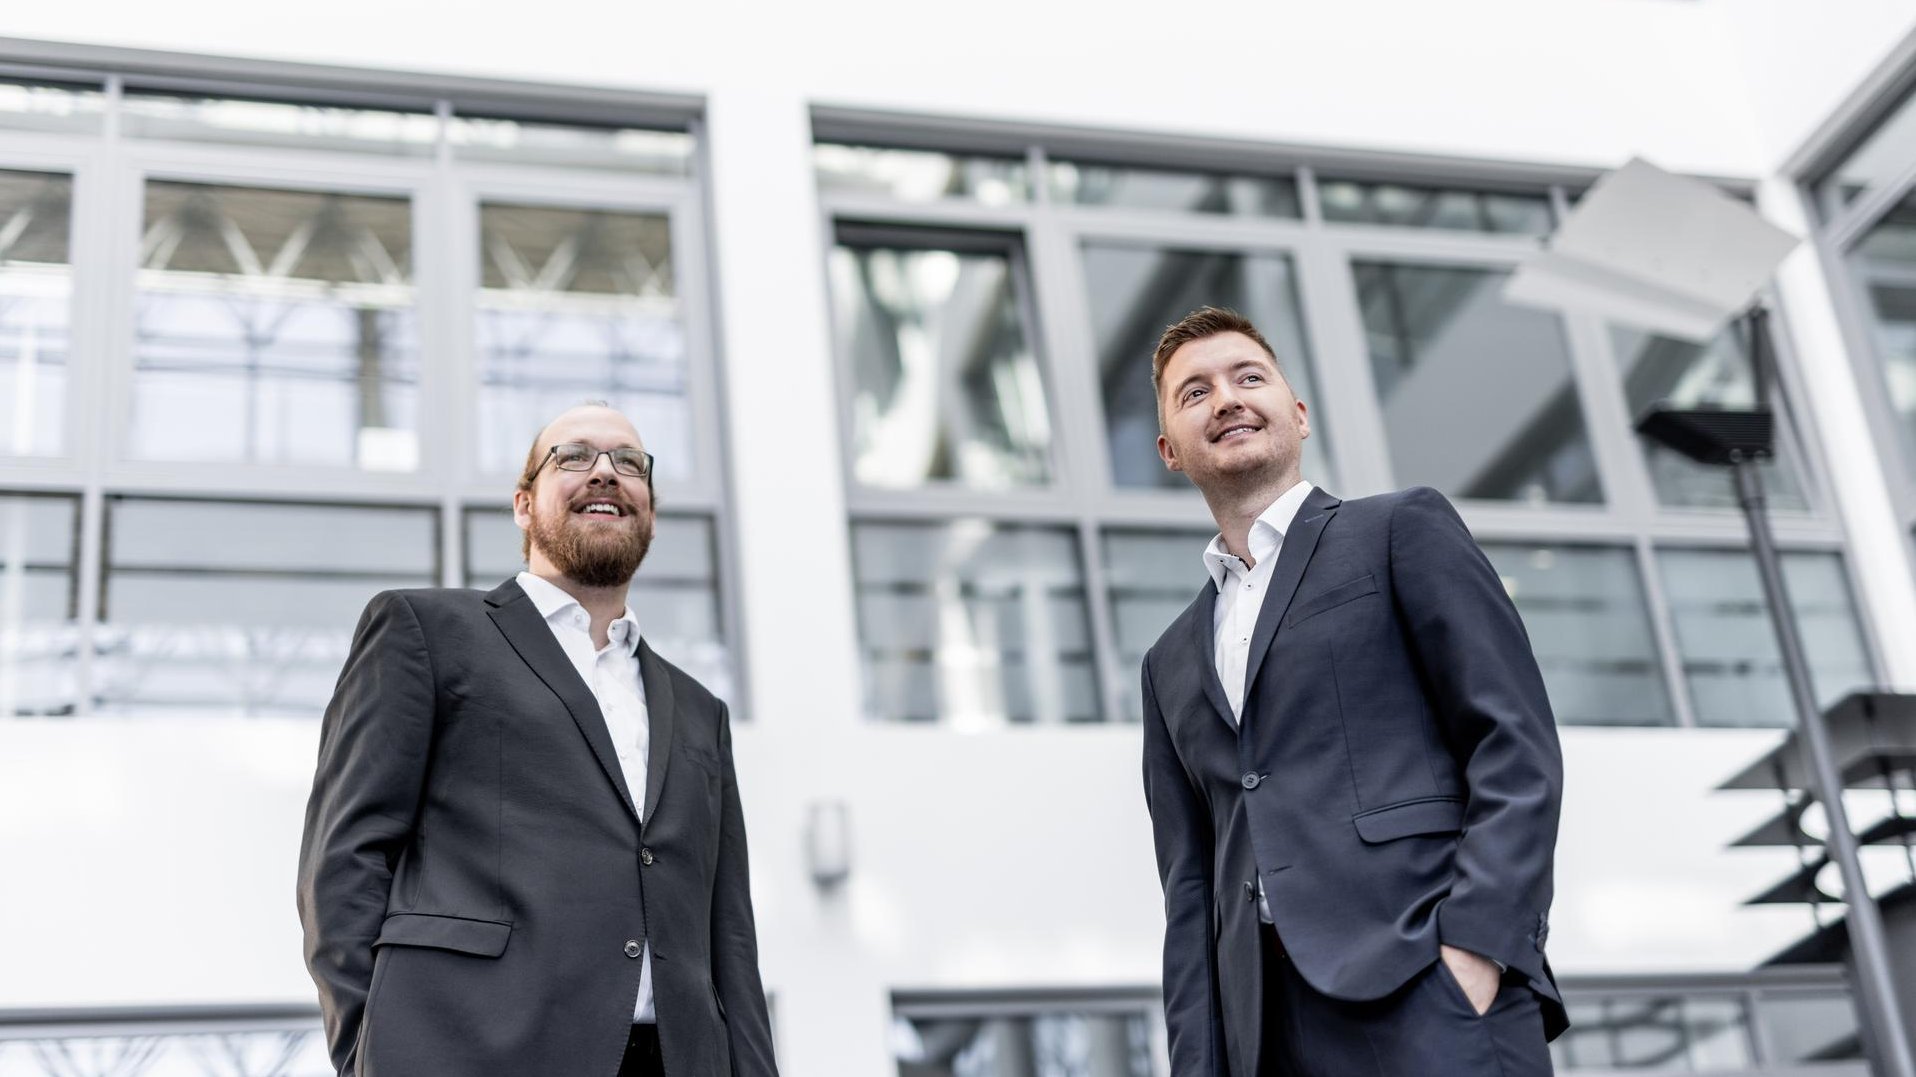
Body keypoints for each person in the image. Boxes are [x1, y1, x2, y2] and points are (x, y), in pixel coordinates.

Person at [1139, 308, 1567, 1076]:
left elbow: (1515, 744)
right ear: (1171, 448)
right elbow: (1191, 885)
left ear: (1297, 414)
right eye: (1194, 392)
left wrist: (1475, 951)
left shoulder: (1401, 530)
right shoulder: (1168, 661)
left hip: (1423, 989)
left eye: (1248, 377)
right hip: (1265, 1033)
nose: (1227, 398)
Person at [298, 403, 778, 1077]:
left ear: (650, 510)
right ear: (524, 505)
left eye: (629, 462)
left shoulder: (703, 712)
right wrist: (370, 1053)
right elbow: (342, 860)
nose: (606, 471)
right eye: (575, 456)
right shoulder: (425, 631)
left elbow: (730, 936)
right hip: (474, 1049)